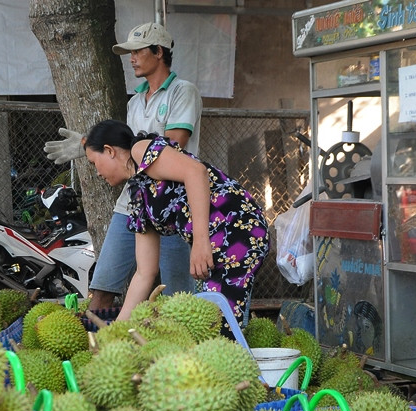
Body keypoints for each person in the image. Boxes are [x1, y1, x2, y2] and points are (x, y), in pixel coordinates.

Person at [45, 22, 202, 310]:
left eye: (137, 51)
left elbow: (172, 144)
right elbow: (125, 153)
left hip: (171, 205)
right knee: (101, 288)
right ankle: (97, 347)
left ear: (158, 52)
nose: (131, 58)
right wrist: (90, 144)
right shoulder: (134, 102)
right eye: (129, 53)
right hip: (132, 202)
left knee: (179, 300)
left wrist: (95, 144)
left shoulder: (182, 91)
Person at [83, 119, 269, 329]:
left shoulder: (140, 149)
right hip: (213, 245)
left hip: (239, 229)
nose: (97, 173)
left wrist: (200, 242)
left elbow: (195, 172)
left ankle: (249, 359)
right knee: (211, 325)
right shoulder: (138, 198)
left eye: (93, 162)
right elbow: (144, 273)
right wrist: (117, 330)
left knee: (219, 325)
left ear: (109, 150)